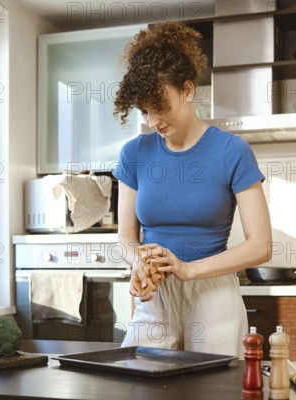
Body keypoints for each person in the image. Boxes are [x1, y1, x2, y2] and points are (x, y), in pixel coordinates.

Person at [112, 21, 272, 358]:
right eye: (144, 111)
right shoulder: (134, 154)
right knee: (140, 386)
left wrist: (188, 270)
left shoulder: (232, 151)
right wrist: (139, 262)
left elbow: (261, 246)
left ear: (187, 90)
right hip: (155, 297)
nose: (153, 121)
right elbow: (126, 238)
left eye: (161, 106)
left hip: (213, 296)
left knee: (212, 390)